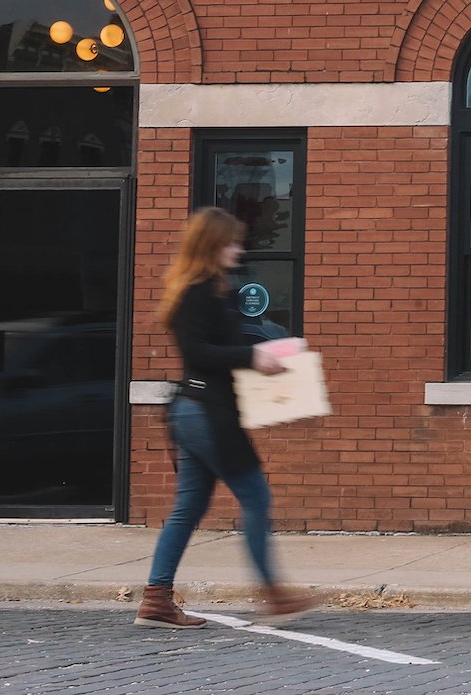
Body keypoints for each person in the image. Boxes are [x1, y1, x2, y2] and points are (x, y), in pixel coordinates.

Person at [135, 207, 323, 628]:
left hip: (194, 410)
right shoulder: (198, 291)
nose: (239, 249)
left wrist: (271, 349)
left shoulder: (208, 290)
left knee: (188, 507)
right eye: (232, 242)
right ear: (212, 245)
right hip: (208, 413)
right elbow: (199, 352)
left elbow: (226, 343)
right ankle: (274, 595)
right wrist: (252, 356)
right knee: (256, 497)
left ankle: (156, 600)